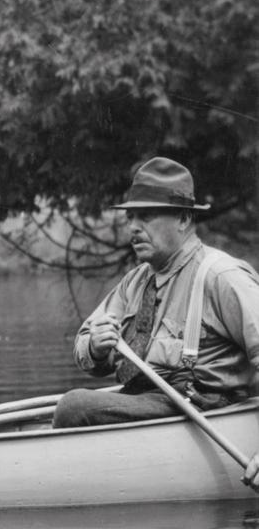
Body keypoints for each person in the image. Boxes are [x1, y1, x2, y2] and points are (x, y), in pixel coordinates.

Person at [53, 157, 259, 428]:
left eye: (146, 216)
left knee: (75, 406)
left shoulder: (221, 276)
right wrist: (96, 347)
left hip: (201, 410)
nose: (133, 227)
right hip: (146, 402)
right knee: (72, 406)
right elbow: (85, 346)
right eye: (131, 217)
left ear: (184, 219)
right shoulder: (135, 282)